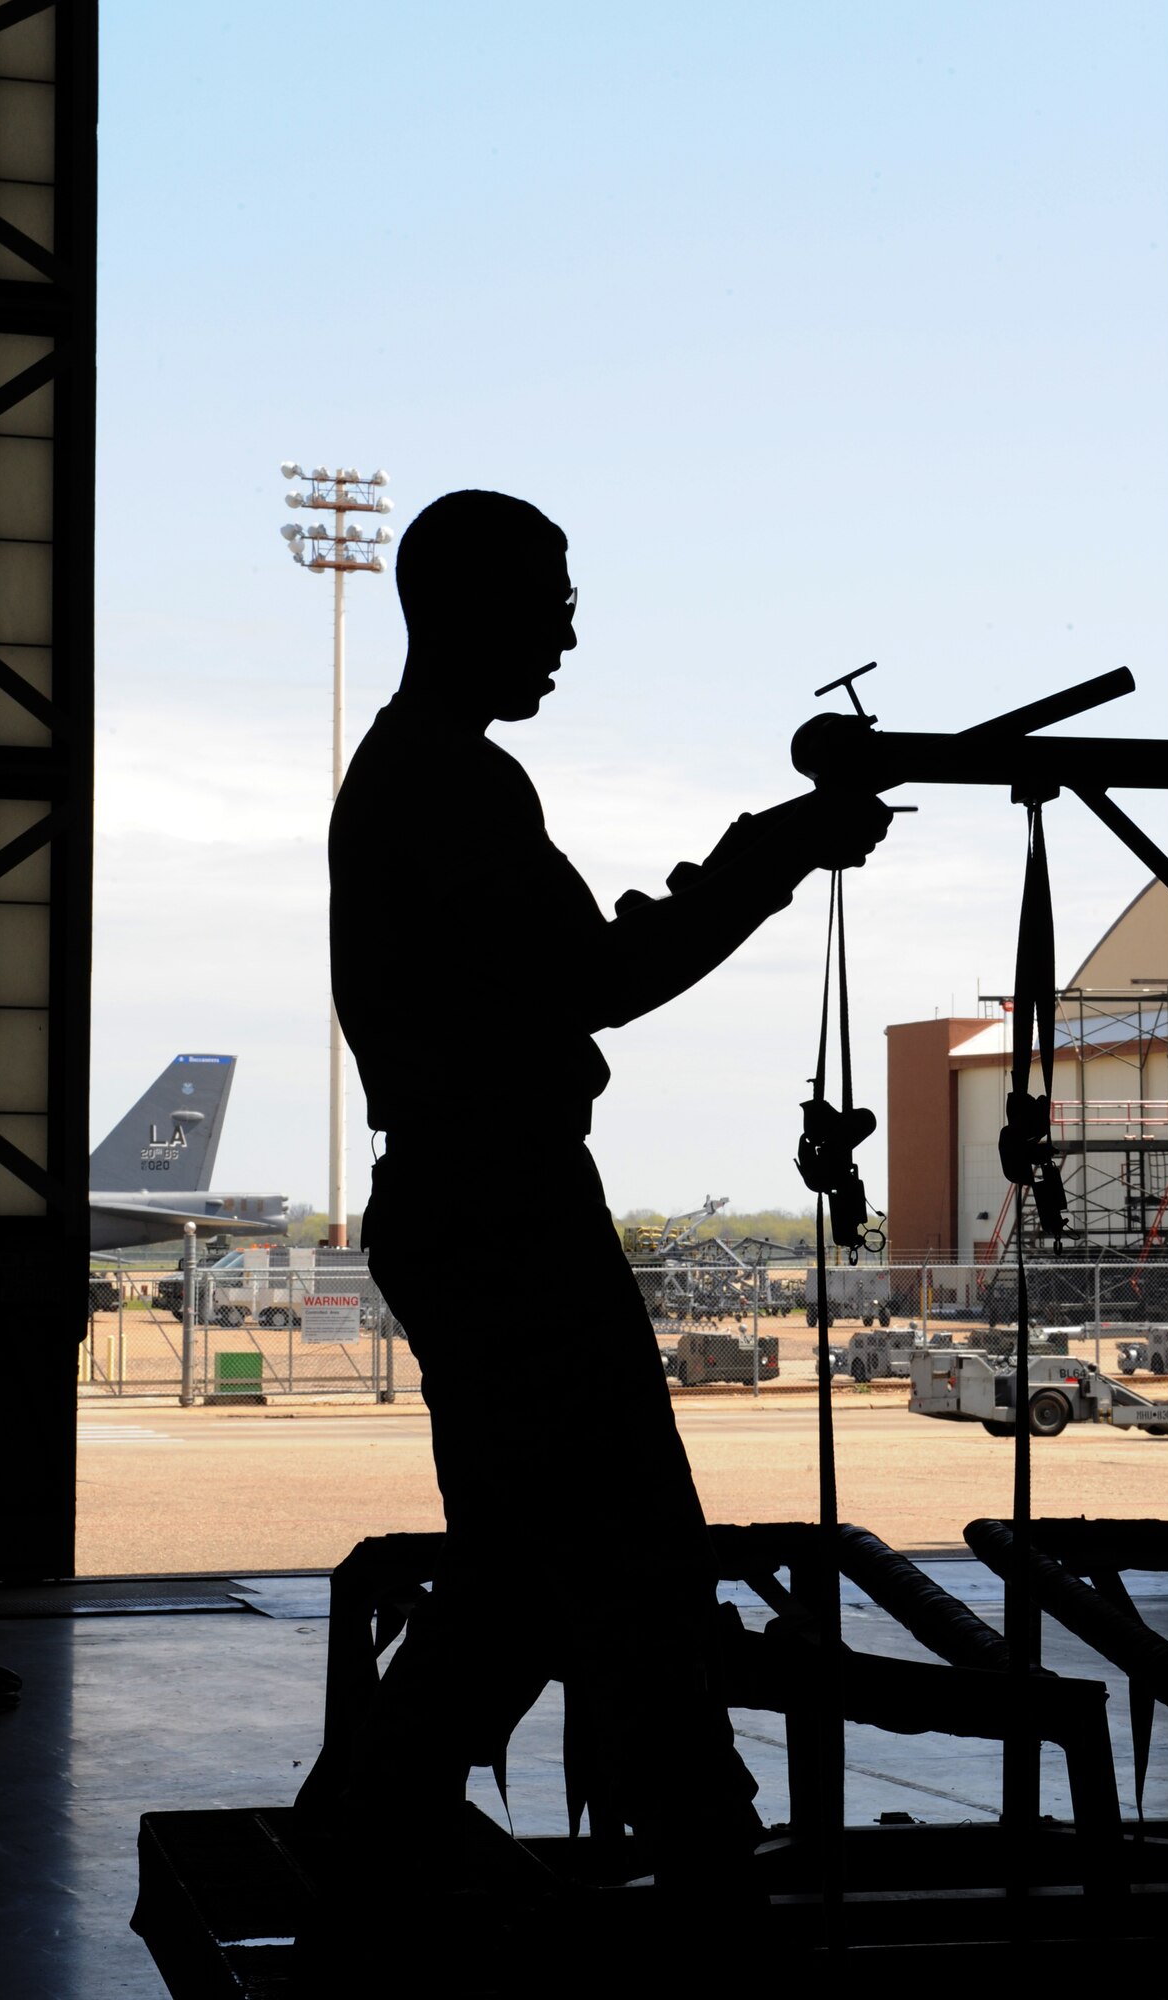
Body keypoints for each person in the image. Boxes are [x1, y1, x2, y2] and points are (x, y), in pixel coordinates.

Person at [326, 488, 891, 1901]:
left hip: (475, 1200)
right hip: (503, 1207)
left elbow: (574, 965)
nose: (570, 628)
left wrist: (767, 849)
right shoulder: (450, 783)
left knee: (527, 1568)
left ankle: (369, 1817)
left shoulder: (426, 775)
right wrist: (771, 856)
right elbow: (598, 978)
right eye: (549, 596)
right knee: (628, 1551)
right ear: (463, 608)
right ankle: (694, 1848)